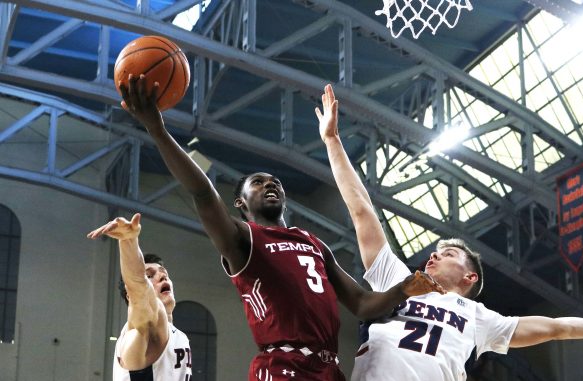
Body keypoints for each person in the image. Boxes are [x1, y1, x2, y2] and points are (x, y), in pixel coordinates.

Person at [117, 75, 444, 380]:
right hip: (282, 366)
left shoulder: (314, 243)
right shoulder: (242, 239)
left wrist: (402, 290)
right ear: (241, 203)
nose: (269, 185)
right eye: (257, 183)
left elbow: (360, 303)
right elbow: (203, 193)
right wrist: (157, 130)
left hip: (329, 368)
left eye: (275, 182)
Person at [315, 84, 583, 381]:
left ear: (470, 278)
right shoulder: (397, 278)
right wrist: (332, 140)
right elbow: (361, 210)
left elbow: (555, 328)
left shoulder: (478, 318)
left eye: (448, 254)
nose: (433, 254)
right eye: (437, 251)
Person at [87, 213, 192, 380]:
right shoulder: (142, 329)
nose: (162, 277)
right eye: (150, 275)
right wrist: (129, 242)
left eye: (164, 273)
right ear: (130, 295)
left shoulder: (179, 336)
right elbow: (138, 286)